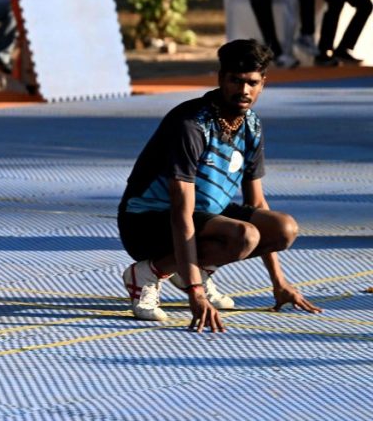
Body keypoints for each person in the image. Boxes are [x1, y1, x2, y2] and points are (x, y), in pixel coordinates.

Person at [118, 39, 321, 331]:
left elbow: (257, 205)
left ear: (263, 82)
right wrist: (195, 293)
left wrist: (279, 283)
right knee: (244, 236)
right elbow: (180, 213)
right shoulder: (191, 125)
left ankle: (189, 268)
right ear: (220, 79)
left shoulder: (250, 125)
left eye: (252, 82)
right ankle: (148, 273)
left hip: (204, 216)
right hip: (148, 222)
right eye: (235, 81)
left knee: (283, 228)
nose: (244, 91)